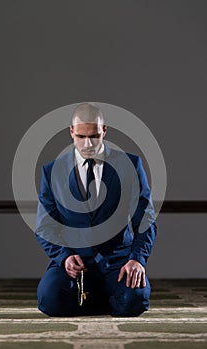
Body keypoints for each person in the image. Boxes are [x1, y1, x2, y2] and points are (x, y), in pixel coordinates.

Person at [36, 102, 157, 317]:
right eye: (81, 137)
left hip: (118, 261)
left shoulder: (130, 165)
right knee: (49, 301)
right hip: (75, 260)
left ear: (104, 130)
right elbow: (45, 226)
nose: (88, 143)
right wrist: (64, 257)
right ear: (71, 132)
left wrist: (137, 259)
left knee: (136, 300)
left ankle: (100, 295)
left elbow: (145, 219)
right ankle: (102, 297)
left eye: (94, 136)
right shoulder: (52, 171)